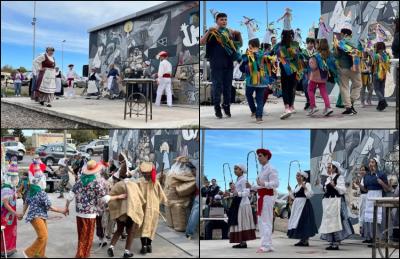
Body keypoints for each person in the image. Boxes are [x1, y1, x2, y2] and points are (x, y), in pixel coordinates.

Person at [200, 10, 242, 118]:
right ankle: (217, 107)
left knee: (228, 86)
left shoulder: (229, 32)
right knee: (217, 86)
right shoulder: (212, 31)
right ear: (216, 21)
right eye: (222, 19)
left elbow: (239, 45)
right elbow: (202, 42)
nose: (224, 21)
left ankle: (226, 105)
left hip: (228, 62)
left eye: (225, 19)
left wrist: (239, 34)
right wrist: (208, 31)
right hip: (216, 62)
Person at [65, 160, 108, 258]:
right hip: (90, 214)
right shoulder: (96, 182)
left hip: (79, 213)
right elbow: (104, 198)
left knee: (81, 236)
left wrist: (66, 208)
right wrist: (117, 197)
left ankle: (81, 254)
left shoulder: (79, 181)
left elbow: (70, 196)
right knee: (88, 238)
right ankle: (83, 255)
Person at [20, 183, 67, 258]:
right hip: (37, 217)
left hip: (38, 216)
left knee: (45, 236)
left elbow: (26, 202)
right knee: (43, 236)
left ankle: (40, 255)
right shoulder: (42, 193)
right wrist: (62, 211)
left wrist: (22, 214)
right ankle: (28, 253)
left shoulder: (31, 190)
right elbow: (50, 207)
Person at [319, 161, 354, 250]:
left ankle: (336, 242)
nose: (328, 169)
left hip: (336, 201)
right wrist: (320, 186)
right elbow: (326, 190)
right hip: (328, 202)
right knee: (329, 222)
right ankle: (332, 241)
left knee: (336, 221)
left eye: (329, 167)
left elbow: (343, 190)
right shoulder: (328, 179)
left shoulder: (339, 177)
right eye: (327, 167)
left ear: (335, 168)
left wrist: (335, 186)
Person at [271, 29, 303, 119]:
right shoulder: (295, 44)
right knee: (292, 88)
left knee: (285, 88)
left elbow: (272, 53)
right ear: (292, 35)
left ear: (282, 35)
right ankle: (291, 106)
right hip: (294, 69)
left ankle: (287, 108)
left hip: (284, 69)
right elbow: (299, 54)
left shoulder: (279, 45)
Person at [136, 162, 167, 254]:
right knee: (149, 226)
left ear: (150, 172)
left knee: (147, 227)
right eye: (144, 172)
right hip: (149, 208)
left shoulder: (149, 182)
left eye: (146, 172)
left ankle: (145, 246)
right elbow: (161, 196)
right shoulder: (150, 182)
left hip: (149, 208)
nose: (145, 174)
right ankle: (148, 245)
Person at [333, 22, 363, 115]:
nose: (340, 36)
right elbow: (360, 53)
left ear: (345, 34)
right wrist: (356, 65)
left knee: (344, 88)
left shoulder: (340, 43)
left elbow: (336, 55)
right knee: (358, 85)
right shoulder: (357, 41)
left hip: (343, 69)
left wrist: (336, 48)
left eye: (341, 34)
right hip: (355, 68)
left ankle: (348, 107)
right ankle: (351, 102)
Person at [240, 38, 271, 123]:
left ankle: (253, 110)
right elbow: (269, 68)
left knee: (248, 94)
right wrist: (269, 80)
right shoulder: (265, 54)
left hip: (251, 81)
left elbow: (242, 68)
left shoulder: (248, 55)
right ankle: (259, 117)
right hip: (263, 80)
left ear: (250, 45)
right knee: (260, 99)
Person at [253, 148, 278, 253]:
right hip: (260, 197)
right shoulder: (262, 170)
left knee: (266, 221)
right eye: (258, 156)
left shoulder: (271, 168)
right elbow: (259, 185)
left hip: (267, 197)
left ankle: (266, 245)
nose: (258, 158)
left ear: (266, 156)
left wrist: (264, 184)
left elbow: (276, 183)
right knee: (261, 221)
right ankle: (268, 244)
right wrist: (252, 186)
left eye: (260, 156)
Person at [226, 164, 256, 248]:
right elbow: (237, 193)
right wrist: (230, 193)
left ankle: (243, 242)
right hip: (237, 203)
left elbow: (247, 193)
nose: (235, 170)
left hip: (242, 204)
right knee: (238, 222)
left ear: (241, 170)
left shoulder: (243, 180)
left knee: (241, 222)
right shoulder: (238, 180)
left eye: (237, 169)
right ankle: (241, 241)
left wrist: (236, 193)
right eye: (234, 169)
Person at [362, 158, 390, 246]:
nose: (370, 164)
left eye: (372, 162)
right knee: (371, 220)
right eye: (370, 162)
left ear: (376, 164)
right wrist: (359, 185)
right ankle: (373, 239)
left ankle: (380, 239)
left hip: (378, 196)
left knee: (379, 219)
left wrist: (382, 183)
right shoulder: (366, 176)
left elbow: (387, 188)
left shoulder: (381, 174)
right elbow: (366, 190)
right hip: (369, 197)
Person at [287, 171, 317, 246]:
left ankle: (305, 240)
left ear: (303, 177)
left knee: (304, 221)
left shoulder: (307, 184)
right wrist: (290, 191)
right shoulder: (297, 186)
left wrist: (305, 188)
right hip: (297, 205)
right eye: (296, 176)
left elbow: (310, 195)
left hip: (304, 205)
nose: (297, 177)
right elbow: (294, 197)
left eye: (298, 176)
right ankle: (302, 240)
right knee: (297, 221)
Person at [307, 38, 336, 116]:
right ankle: (328, 107)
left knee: (310, 90)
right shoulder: (329, 54)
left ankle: (313, 106)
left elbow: (313, 66)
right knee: (323, 91)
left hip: (315, 75)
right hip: (324, 75)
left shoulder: (316, 54)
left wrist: (309, 62)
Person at [1, 160, 22, 257]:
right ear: (10, 178)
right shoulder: (6, 189)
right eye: (14, 178)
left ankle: (11, 249)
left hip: (11, 217)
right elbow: (6, 204)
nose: (16, 180)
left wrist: (18, 192)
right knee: (5, 233)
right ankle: (4, 250)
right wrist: (15, 213)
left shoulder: (11, 187)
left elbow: (13, 197)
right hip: (5, 216)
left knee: (12, 232)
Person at [372, 41, 390, 111]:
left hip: (377, 73)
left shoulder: (376, 55)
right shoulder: (386, 55)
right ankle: (381, 106)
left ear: (377, 48)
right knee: (382, 89)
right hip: (384, 74)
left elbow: (374, 64)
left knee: (376, 89)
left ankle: (383, 101)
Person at [301, 37, 317, 111]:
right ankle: (308, 100)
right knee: (305, 84)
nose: (311, 45)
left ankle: (311, 102)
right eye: (310, 43)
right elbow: (301, 63)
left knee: (313, 86)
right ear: (307, 43)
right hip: (306, 71)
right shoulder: (303, 52)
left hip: (314, 71)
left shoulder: (316, 52)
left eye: (312, 43)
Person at [185, 162, 200, 240]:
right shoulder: (198, 175)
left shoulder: (198, 175)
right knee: (194, 214)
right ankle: (189, 233)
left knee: (193, 214)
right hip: (199, 197)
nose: (192, 173)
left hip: (198, 196)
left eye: (192, 171)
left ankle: (188, 232)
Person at [355, 164, 369, 242]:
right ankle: (365, 235)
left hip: (366, 197)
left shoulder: (366, 179)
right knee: (361, 215)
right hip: (362, 198)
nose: (361, 171)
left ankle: (368, 235)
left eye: (363, 170)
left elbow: (365, 190)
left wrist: (359, 185)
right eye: (361, 170)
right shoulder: (362, 178)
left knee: (365, 215)